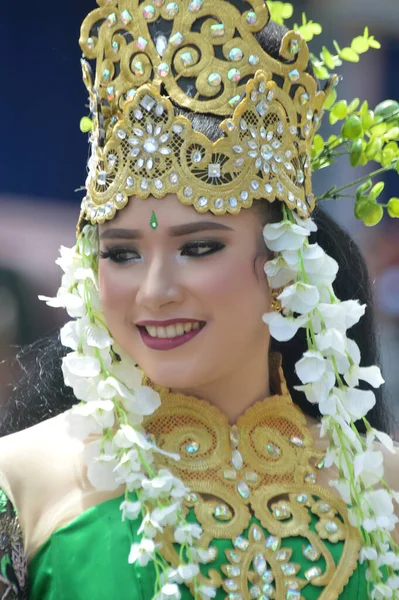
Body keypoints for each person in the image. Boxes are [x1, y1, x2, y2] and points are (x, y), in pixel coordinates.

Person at [0, 2, 398, 599]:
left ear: (288, 267)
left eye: (201, 247)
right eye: (123, 254)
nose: (155, 292)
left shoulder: (383, 488)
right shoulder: (23, 485)